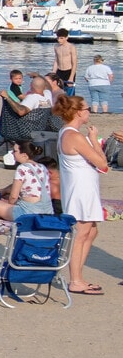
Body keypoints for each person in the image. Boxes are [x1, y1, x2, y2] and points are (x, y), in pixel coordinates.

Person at [57, 95, 107, 295]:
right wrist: (94, 140)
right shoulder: (74, 136)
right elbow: (102, 163)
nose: (89, 112)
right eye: (86, 109)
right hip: (80, 190)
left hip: (81, 187)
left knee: (91, 231)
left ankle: (79, 277)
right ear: (78, 112)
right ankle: (75, 280)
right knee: (82, 233)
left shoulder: (67, 132)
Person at [0, 140, 51, 222]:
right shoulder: (42, 167)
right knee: (4, 199)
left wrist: (7, 206)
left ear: (24, 155)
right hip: (47, 211)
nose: (12, 153)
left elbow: (13, 197)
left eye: (15, 151)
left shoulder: (22, 168)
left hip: (28, 213)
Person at [53, 28, 79, 93]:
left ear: (66, 38)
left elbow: (74, 63)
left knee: (69, 92)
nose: (59, 40)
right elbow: (56, 60)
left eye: (61, 38)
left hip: (68, 71)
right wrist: (53, 72)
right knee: (58, 92)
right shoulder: (56, 46)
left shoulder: (71, 47)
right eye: (58, 38)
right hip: (59, 71)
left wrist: (71, 77)